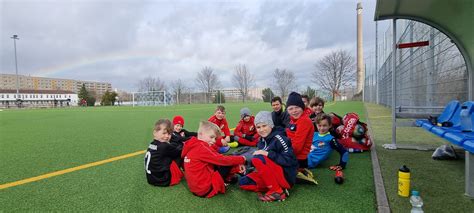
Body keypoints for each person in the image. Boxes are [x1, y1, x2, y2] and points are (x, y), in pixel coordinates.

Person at [239, 111, 298, 202]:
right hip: (272, 174)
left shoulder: (279, 138)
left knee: (258, 158)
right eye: (258, 127)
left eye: (264, 126)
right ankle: (275, 186)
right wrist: (246, 167)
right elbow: (265, 163)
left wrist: (268, 154)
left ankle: (277, 192)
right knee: (243, 182)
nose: (261, 130)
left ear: (271, 125)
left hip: (286, 176)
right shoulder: (261, 141)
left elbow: (290, 161)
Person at [181, 121, 247, 198]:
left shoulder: (193, 145)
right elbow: (222, 160)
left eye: (215, 138)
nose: (214, 141)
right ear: (201, 135)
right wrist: (242, 159)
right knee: (226, 162)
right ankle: (229, 177)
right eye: (211, 137)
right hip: (205, 190)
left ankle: (231, 175)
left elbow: (215, 155)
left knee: (223, 159)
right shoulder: (201, 148)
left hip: (196, 189)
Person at [285, 92, 317, 184]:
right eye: (291, 108)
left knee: (275, 167)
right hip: (296, 156)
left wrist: (284, 154)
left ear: (302, 107)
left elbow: (297, 146)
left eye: (297, 107)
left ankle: (299, 173)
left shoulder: (304, 121)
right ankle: (302, 171)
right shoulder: (294, 119)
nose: (294, 111)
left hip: (298, 158)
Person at [144, 119, 183, 187]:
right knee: (180, 154)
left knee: (167, 156)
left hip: (151, 179)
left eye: (169, 134)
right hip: (163, 180)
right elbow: (179, 151)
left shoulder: (151, 144)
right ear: (155, 133)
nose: (167, 136)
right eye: (164, 133)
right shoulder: (164, 146)